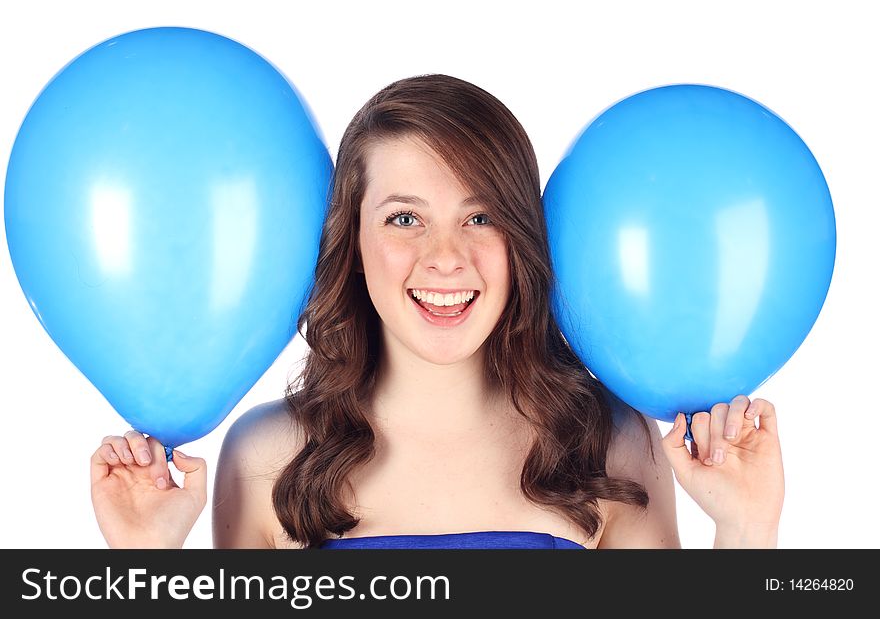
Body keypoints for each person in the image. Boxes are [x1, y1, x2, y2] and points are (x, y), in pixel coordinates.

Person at [90, 74, 784, 549]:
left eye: (479, 215)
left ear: (521, 235)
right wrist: (147, 563)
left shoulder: (608, 443)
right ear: (352, 239)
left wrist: (748, 529)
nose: (445, 257)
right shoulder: (265, 458)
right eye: (403, 218)